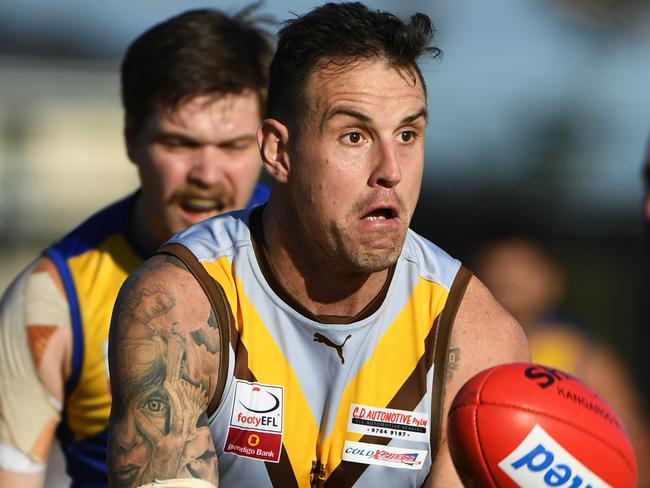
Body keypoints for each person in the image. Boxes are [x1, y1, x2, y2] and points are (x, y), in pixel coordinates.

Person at [106, 3, 529, 487]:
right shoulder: (178, 305)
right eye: (354, 136)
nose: (390, 169)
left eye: (408, 134)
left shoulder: (476, 337)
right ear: (278, 151)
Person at [0, 7, 273, 487]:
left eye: (231, 147)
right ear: (131, 138)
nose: (206, 175)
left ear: (270, 144)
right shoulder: (53, 299)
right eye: (179, 143)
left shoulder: (328, 265)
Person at [473, 235, 650, 487]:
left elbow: (635, 444)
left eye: (522, 268)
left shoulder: (586, 358)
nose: (508, 279)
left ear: (552, 281)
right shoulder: (460, 349)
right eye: (497, 268)